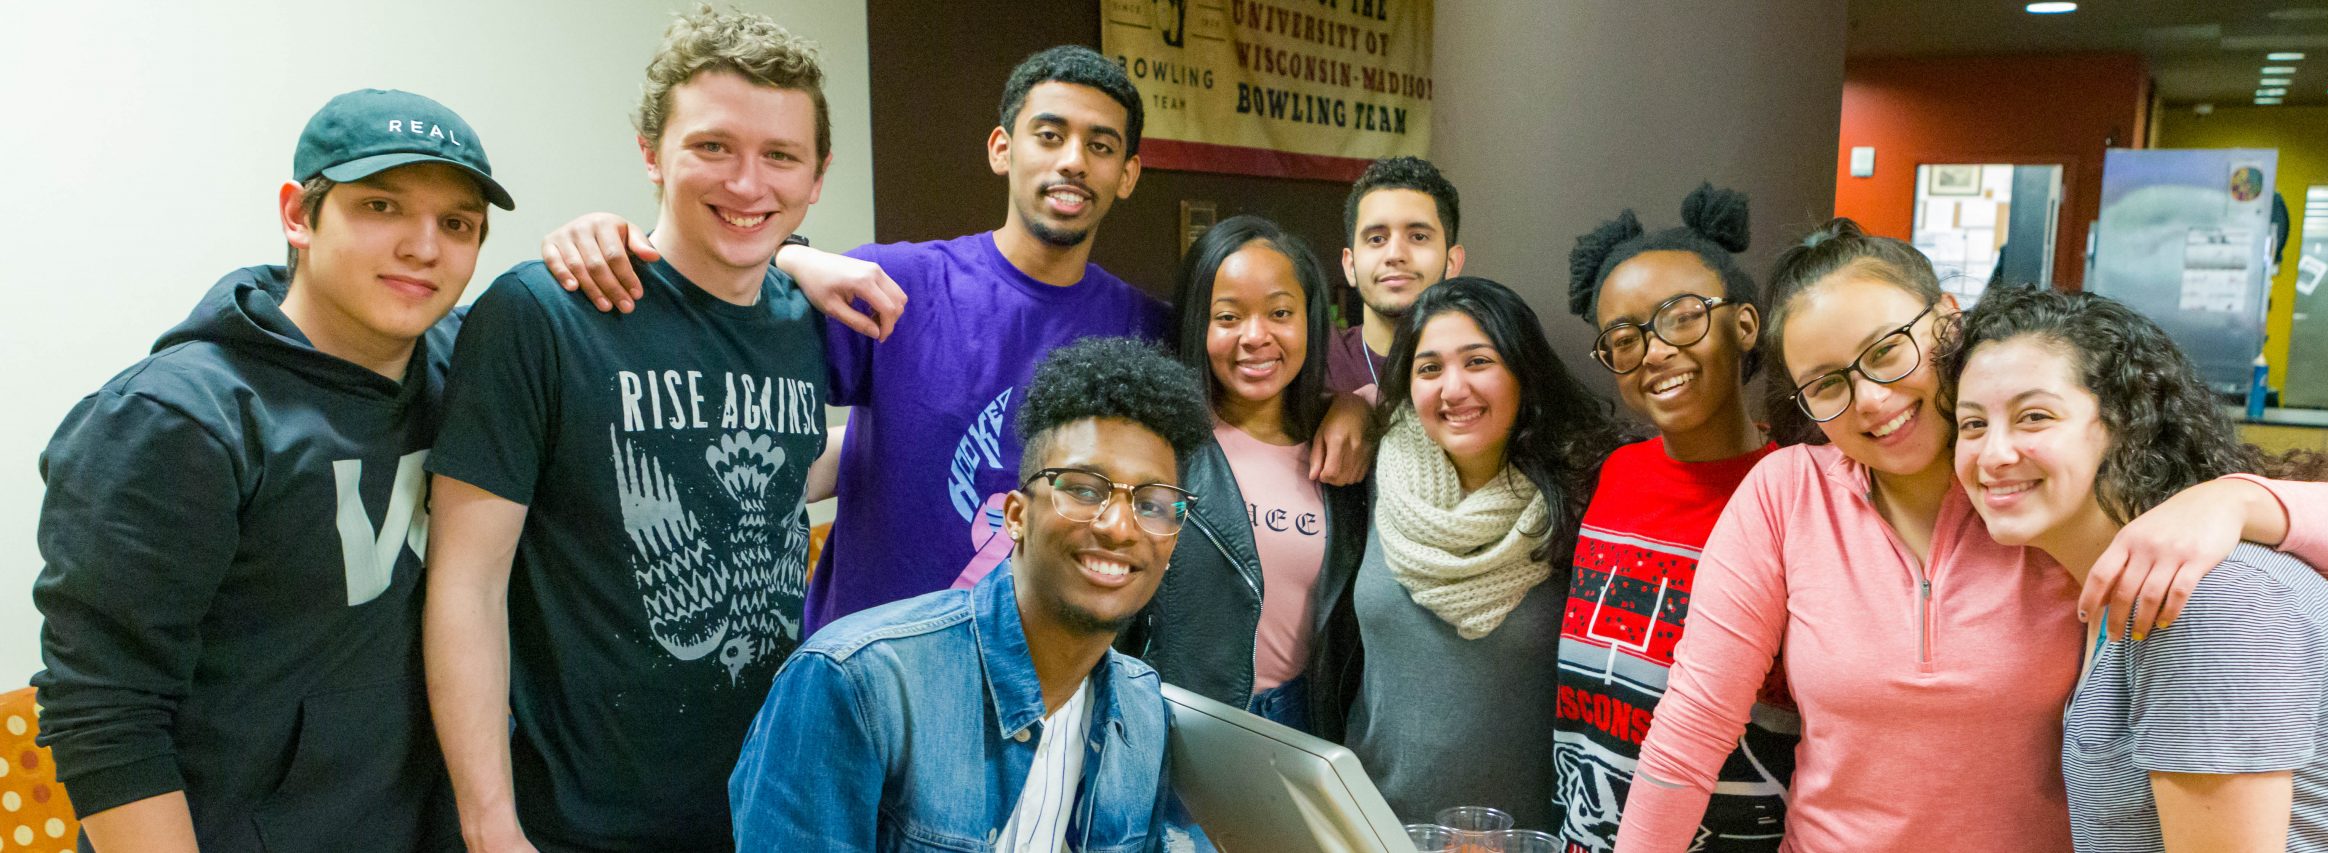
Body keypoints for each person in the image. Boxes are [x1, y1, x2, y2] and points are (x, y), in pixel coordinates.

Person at [1616, 219, 2328, 852]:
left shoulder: (2059, 498)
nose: (1871, 399)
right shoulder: (1795, 492)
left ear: (1946, 322)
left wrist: (2233, 501)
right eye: (1827, 384)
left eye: (1886, 351)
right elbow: (1693, 723)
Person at [540, 45, 1370, 635]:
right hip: (866, 681)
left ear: (1128, 175)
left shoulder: (1150, 331)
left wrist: (1354, 406)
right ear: (1003, 149)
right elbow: (721, 339)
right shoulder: (888, 282)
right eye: (1049, 134)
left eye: (1100, 146)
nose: (1072, 161)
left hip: (1043, 693)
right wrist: (631, 240)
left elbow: (1258, 405)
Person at [30, 88, 510, 852]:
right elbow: (106, 712)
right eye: (381, 206)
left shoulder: (472, 373)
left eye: (456, 223)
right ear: (298, 215)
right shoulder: (175, 418)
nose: (424, 247)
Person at [423, 8, 837, 851]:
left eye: (780, 155)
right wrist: (490, 825)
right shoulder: (544, 314)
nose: (748, 183)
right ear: (651, 152)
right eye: (713, 146)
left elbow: (800, 471)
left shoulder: (809, 323)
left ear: (817, 176)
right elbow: (466, 584)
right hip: (579, 826)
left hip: (767, 814)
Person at [1946, 286, 2328, 852]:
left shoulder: (2210, 599)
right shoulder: (2110, 582)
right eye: (1973, 425)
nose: (1993, 454)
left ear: (2127, 423)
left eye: (2035, 417)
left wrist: (2238, 498)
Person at [729, 337, 1209, 850]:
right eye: (1084, 490)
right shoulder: (857, 683)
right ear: (1015, 517)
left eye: (1152, 504)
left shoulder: (1143, 712)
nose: (1119, 527)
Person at [1552, 183, 1793, 853]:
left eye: (1681, 317)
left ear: (1745, 324)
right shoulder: (1613, 475)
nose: (1654, 350)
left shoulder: (1795, 492)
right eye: (1623, 338)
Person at [1346, 277, 1625, 829]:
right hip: (1376, 821)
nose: (1453, 389)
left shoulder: (1586, 494)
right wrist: (1346, 406)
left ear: (1524, 371)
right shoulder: (1376, 472)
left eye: (1478, 361)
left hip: (1532, 832)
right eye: (1429, 369)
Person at [1118, 216, 1369, 737]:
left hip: (1305, 723)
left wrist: (1358, 405)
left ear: (1310, 320)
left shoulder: (1343, 451)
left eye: (1280, 313)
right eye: (1228, 317)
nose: (1256, 337)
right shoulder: (1159, 446)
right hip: (1181, 719)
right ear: (1198, 324)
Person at [1330, 155, 1467, 396]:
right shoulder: (1316, 364)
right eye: (1377, 239)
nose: (1395, 255)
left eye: (1418, 237)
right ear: (1350, 266)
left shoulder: (1486, 364)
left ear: (1452, 262)